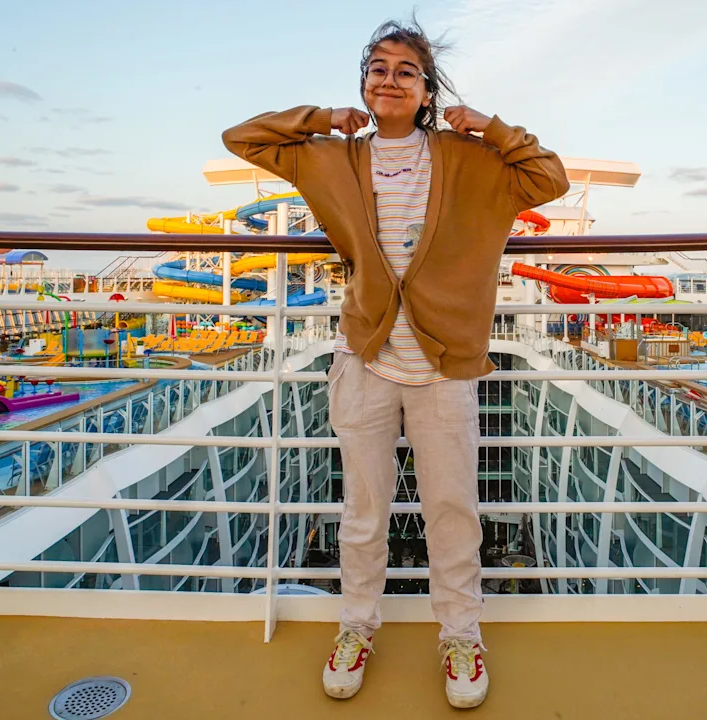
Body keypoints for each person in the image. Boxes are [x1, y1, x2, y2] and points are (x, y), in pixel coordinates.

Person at [222, 17, 568, 709]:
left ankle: (461, 636)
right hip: (366, 355)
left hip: (446, 366)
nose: (389, 78)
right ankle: (356, 627)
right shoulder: (330, 155)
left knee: (452, 510)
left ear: (426, 89)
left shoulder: (471, 160)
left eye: (405, 70)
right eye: (378, 67)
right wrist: (323, 118)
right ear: (364, 82)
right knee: (363, 511)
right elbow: (245, 137)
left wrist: (491, 127)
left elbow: (548, 178)